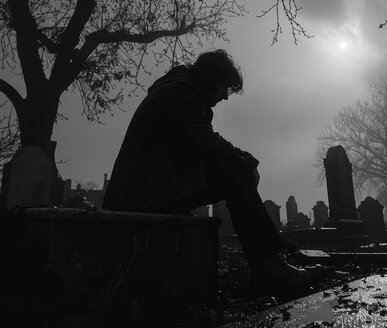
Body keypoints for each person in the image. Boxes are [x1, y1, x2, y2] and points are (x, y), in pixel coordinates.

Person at [103, 49, 323, 291]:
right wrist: (247, 161)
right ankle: (269, 267)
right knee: (236, 171)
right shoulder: (179, 92)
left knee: (235, 167)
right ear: (214, 80)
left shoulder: (183, 92)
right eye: (226, 88)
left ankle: (271, 263)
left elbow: (194, 151)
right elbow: (205, 140)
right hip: (138, 194)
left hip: (148, 186)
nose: (226, 97)